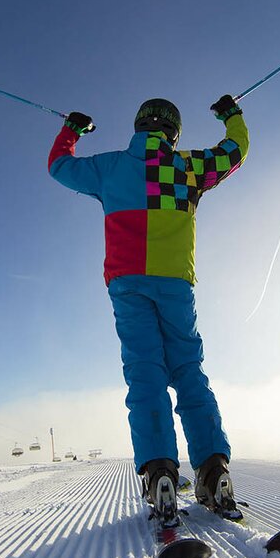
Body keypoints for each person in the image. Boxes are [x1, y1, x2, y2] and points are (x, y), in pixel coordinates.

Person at [48, 95, 249, 522]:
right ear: (173, 132)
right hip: (175, 282)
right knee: (189, 372)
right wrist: (231, 116)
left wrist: (72, 131)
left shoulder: (109, 167)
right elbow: (235, 152)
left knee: (145, 372)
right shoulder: (188, 168)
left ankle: (159, 471)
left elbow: (59, 167)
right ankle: (213, 470)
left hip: (127, 283)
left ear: (138, 127)